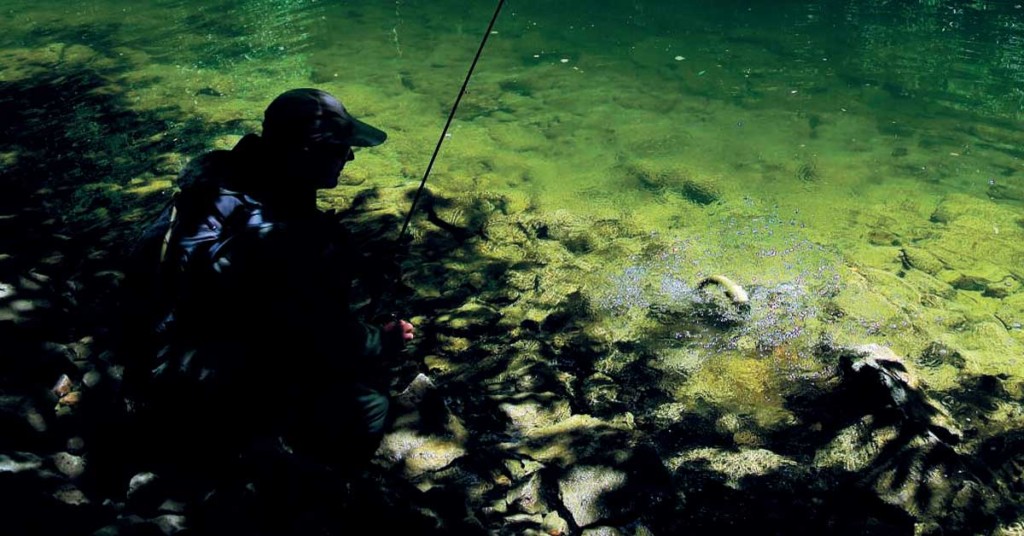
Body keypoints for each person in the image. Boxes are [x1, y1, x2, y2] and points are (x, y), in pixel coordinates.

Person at [121, 88, 415, 492]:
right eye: (339, 149)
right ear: (306, 152)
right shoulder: (280, 239)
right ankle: (274, 475)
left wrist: (354, 263)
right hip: (194, 379)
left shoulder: (223, 181)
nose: (349, 157)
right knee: (369, 407)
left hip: (161, 348)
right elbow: (320, 332)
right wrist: (380, 340)